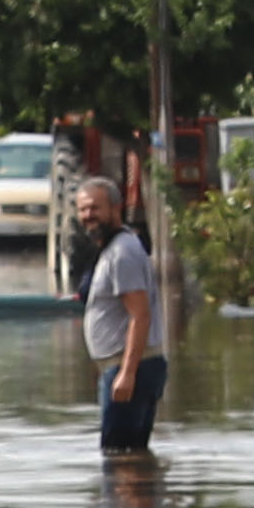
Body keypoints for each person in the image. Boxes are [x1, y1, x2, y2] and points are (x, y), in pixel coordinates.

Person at [81, 160, 169, 454]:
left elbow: (140, 315)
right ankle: (139, 499)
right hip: (126, 366)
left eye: (95, 208)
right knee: (130, 458)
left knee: (118, 457)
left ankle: (131, 501)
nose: (87, 216)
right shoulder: (116, 248)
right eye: (82, 209)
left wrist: (127, 373)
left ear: (115, 209)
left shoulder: (122, 253)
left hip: (131, 367)